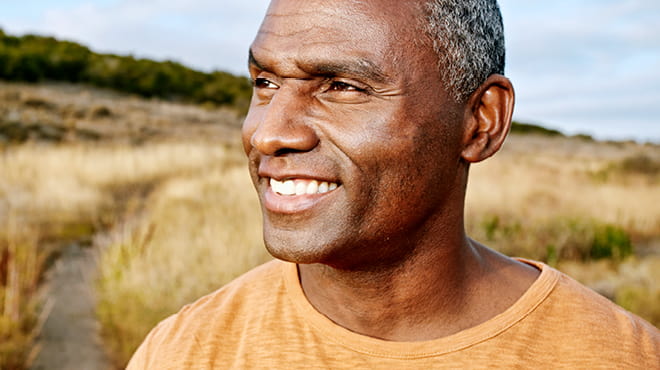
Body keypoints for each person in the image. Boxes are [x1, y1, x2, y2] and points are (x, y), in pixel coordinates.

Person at [127, 0, 659, 368]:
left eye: (343, 86)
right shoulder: (183, 351)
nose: (268, 134)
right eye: (265, 83)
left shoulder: (621, 357)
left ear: (480, 121)